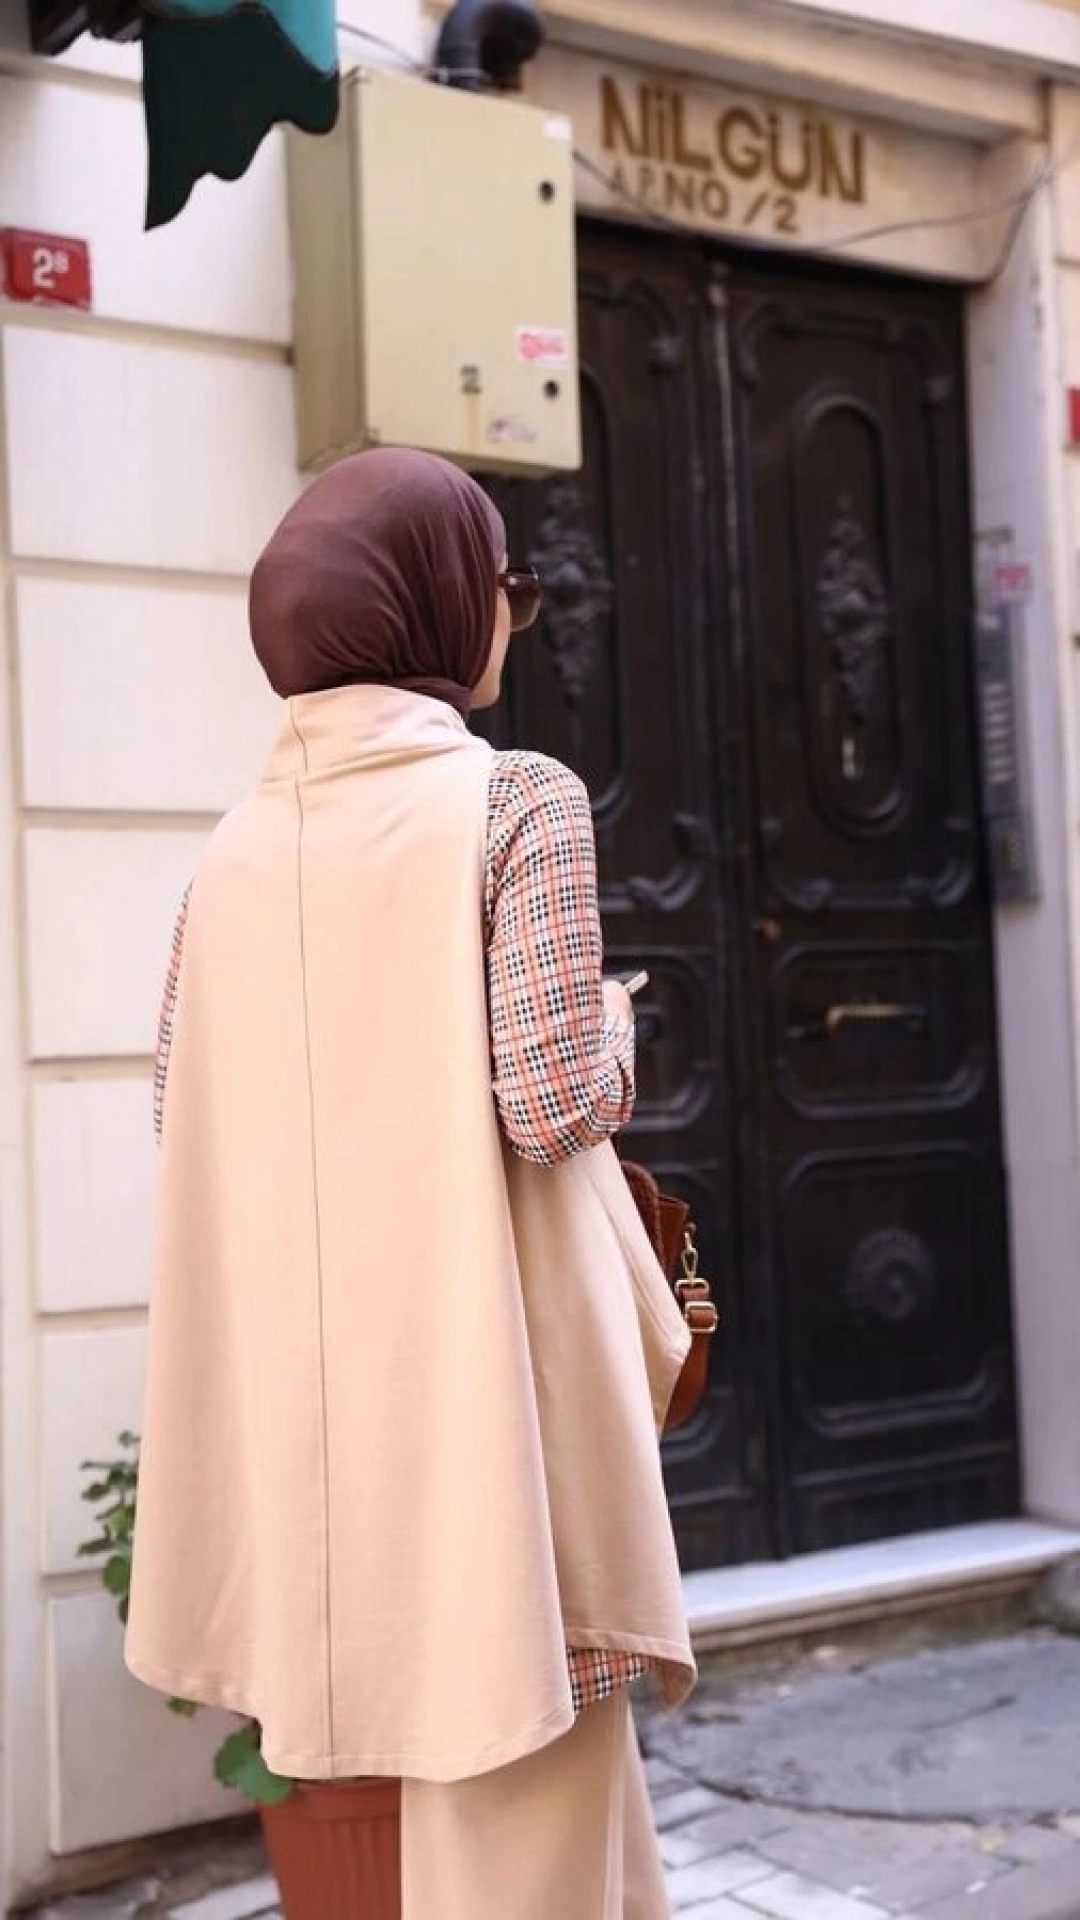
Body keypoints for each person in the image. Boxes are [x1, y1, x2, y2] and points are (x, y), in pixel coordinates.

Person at [126, 447, 695, 1919]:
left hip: (328, 1415)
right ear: (435, 601)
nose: (510, 612)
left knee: (546, 1801)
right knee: (533, 1782)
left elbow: (183, 1113)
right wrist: (612, 1014)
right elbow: (555, 1106)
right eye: (505, 584)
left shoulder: (229, 857)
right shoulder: (517, 802)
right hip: (499, 1376)